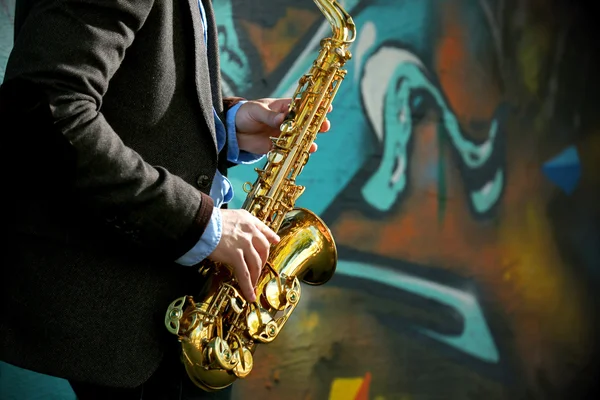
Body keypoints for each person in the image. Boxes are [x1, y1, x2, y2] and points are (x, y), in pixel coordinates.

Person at [0, 0, 331, 399]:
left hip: (169, 307)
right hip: (120, 314)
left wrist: (225, 125)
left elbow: (134, 94)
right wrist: (201, 224)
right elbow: (47, 111)